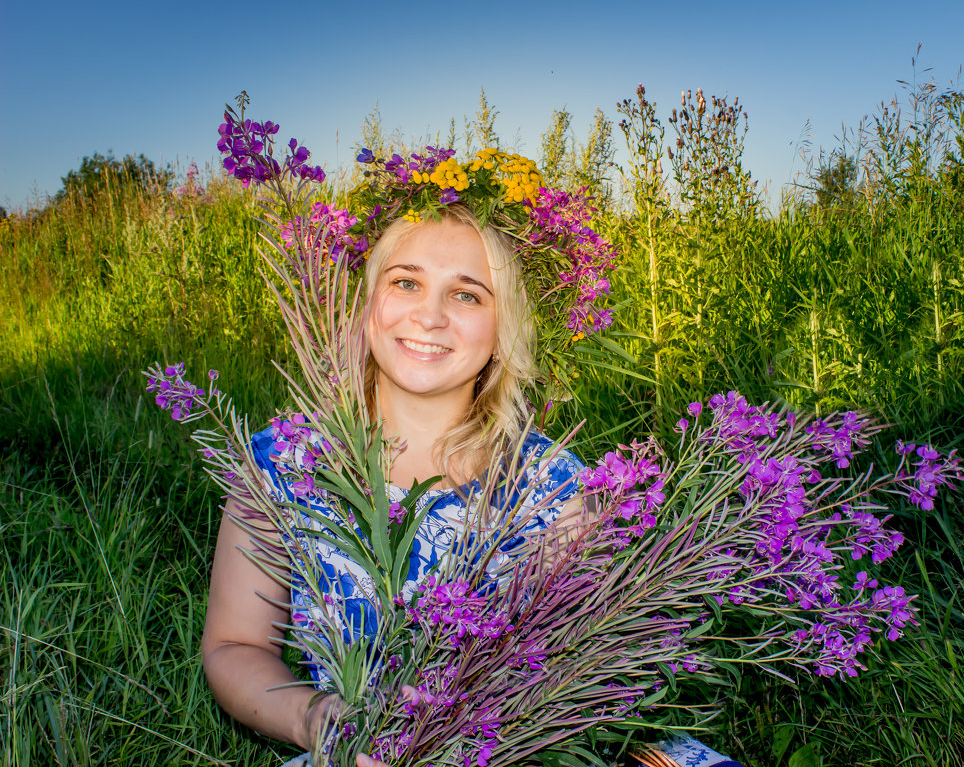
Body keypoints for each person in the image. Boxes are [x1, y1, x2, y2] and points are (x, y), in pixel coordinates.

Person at [201, 195, 742, 767]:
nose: (430, 315)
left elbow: (587, 682)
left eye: (465, 294)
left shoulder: (559, 488)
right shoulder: (281, 466)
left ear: (502, 328)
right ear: (365, 305)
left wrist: (558, 591)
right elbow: (234, 646)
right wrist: (316, 719)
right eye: (406, 282)